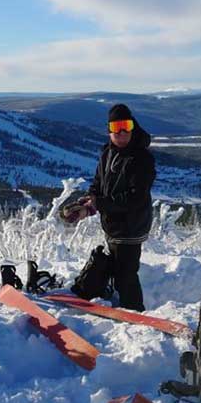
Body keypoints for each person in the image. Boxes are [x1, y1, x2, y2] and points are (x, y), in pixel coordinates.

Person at [78, 103, 156, 311]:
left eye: (125, 126)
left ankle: (135, 312)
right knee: (114, 267)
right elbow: (98, 182)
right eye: (116, 127)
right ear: (109, 130)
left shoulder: (142, 158)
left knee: (126, 275)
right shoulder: (107, 153)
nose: (121, 133)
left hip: (131, 226)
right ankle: (118, 302)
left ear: (133, 127)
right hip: (112, 224)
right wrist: (89, 199)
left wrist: (100, 203)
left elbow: (135, 198)